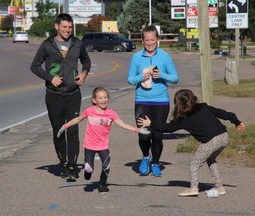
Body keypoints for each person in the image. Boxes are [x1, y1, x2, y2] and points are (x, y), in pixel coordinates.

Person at [138, 89, 245, 197]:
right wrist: (236, 122)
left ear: (178, 104)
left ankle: (193, 188)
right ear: (193, 98)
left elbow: (166, 128)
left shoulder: (182, 118)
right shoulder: (203, 107)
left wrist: (150, 124)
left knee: (194, 163)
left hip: (212, 141)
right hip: (224, 136)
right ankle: (220, 187)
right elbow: (223, 113)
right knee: (211, 159)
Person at [30, 13, 91, 181]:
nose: (67, 30)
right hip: (53, 95)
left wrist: (84, 74)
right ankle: (63, 163)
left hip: (73, 94)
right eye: (64, 27)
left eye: (70, 27)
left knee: (72, 131)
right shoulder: (47, 45)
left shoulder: (77, 44)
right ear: (57, 27)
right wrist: (50, 78)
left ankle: (72, 166)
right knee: (59, 131)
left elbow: (86, 62)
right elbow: (34, 66)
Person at [57, 86, 150, 194]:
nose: (103, 100)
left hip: (103, 145)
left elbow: (123, 124)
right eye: (100, 98)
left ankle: (102, 184)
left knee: (107, 166)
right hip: (90, 145)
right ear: (94, 100)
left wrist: (138, 130)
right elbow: (78, 119)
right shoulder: (89, 111)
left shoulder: (111, 113)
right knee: (88, 169)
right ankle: (88, 173)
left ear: (108, 99)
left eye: (105, 97)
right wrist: (65, 126)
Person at [127, 25, 179, 177]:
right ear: (142, 40)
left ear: (157, 40)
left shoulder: (164, 56)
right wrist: (139, 78)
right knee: (144, 134)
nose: (149, 43)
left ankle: (155, 162)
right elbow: (130, 79)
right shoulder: (136, 57)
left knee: (157, 135)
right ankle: (145, 156)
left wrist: (161, 75)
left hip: (161, 101)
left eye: (152, 39)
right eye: (147, 40)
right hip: (142, 100)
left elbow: (175, 78)